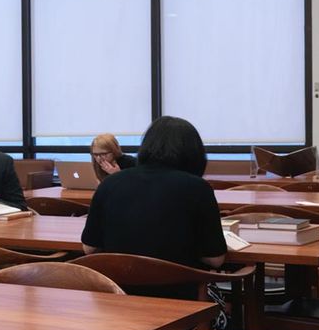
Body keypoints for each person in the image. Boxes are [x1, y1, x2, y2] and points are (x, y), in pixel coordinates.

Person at [80, 116, 227, 299]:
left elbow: (89, 248)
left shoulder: (109, 184)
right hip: (181, 304)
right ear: (194, 152)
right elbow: (215, 258)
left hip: (117, 301)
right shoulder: (198, 188)